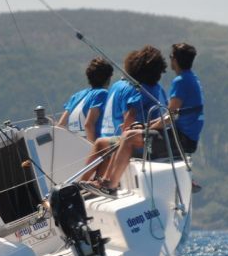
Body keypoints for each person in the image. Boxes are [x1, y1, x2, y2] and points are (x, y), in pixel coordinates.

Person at [86, 42, 203, 196]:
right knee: (128, 135)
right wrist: (145, 126)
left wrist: (145, 128)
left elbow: (170, 117)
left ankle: (110, 184)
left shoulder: (180, 81)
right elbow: (169, 116)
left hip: (179, 139)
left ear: (175, 59)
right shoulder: (192, 79)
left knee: (127, 137)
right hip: (184, 138)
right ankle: (105, 181)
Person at [81, 45, 168, 181]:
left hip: (141, 144)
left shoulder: (132, 88)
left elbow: (131, 114)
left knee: (101, 143)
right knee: (111, 142)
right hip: (158, 141)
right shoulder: (159, 89)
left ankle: (84, 182)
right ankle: (96, 180)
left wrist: (128, 128)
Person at [57, 57, 113, 142]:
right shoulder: (102, 94)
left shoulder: (76, 96)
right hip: (92, 149)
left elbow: (60, 125)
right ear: (108, 78)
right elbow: (88, 124)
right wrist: (94, 151)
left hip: (75, 147)